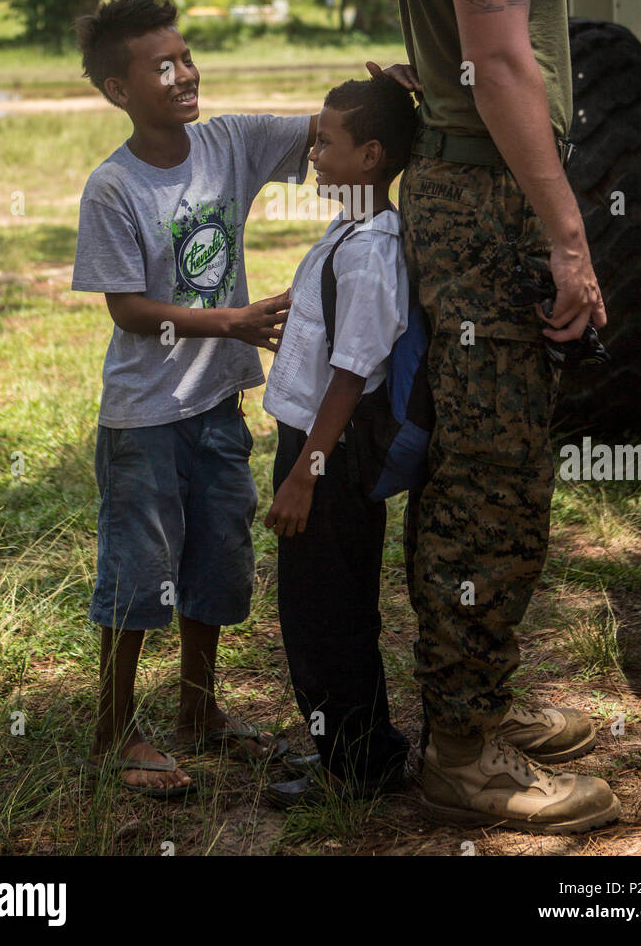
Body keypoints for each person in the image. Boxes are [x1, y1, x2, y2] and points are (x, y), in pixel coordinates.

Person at [389, 0, 621, 833]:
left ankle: (474, 704)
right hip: (486, 199)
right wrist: (568, 236)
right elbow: (496, 55)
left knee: (477, 474)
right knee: (493, 487)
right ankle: (466, 755)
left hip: (460, 192)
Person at [71, 0, 315, 796]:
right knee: (138, 575)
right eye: (161, 65)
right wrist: (232, 320)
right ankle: (114, 733)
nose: (183, 74)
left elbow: (324, 129)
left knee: (216, 556)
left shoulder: (230, 144)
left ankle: (198, 713)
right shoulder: (114, 188)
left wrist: (394, 90)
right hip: (144, 419)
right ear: (118, 90)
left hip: (215, 407)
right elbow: (129, 310)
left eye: (186, 56)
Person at [261, 75, 417, 807]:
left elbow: (353, 376)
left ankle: (357, 767)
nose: (314, 152)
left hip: (328, 455)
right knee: (320, 608)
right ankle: (355, 751)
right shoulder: (346, 233)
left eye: (328, 142)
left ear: (372, 156)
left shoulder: (370, 252)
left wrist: (304, 475)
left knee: (328, 615)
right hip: (310, 446)